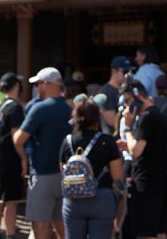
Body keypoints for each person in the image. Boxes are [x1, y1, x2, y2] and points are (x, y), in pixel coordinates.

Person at [12, 67, 73, 239]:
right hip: (66, 174)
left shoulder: (39, 109)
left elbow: (19, 139)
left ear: (46, 84)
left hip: (42, 173)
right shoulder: (69, 108)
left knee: (40, 227)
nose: (36, 88)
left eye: (38, 84)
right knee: (64, 226)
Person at [60, 100, 124, 239]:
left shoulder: (68, 141)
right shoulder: (107, 141)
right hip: (101, 197)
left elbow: (63, 172)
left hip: (73, 199)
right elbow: (117, 175)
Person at [118, 79, 167, 239]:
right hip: (159, 179)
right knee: (158, 230)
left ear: (138, 96)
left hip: (147, 182)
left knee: (146, 232)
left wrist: (127, 127)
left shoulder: (147, 117)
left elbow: (137, 151)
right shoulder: (157, 114)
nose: (126, 107)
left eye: (127, 101)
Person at [0, 73, 25, 239]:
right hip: (11, 158)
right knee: (11, 201)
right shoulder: (16, 107)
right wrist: (24, 158)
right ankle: (10, 234)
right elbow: (16, 136)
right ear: (17, 86)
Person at [97, 56, 132, 134]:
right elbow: (111, 121)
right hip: (113, 140)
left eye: (130, 72)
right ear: (114, 71)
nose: (128, 75)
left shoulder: (129, 90)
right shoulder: (105, 92)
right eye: (125, 72)